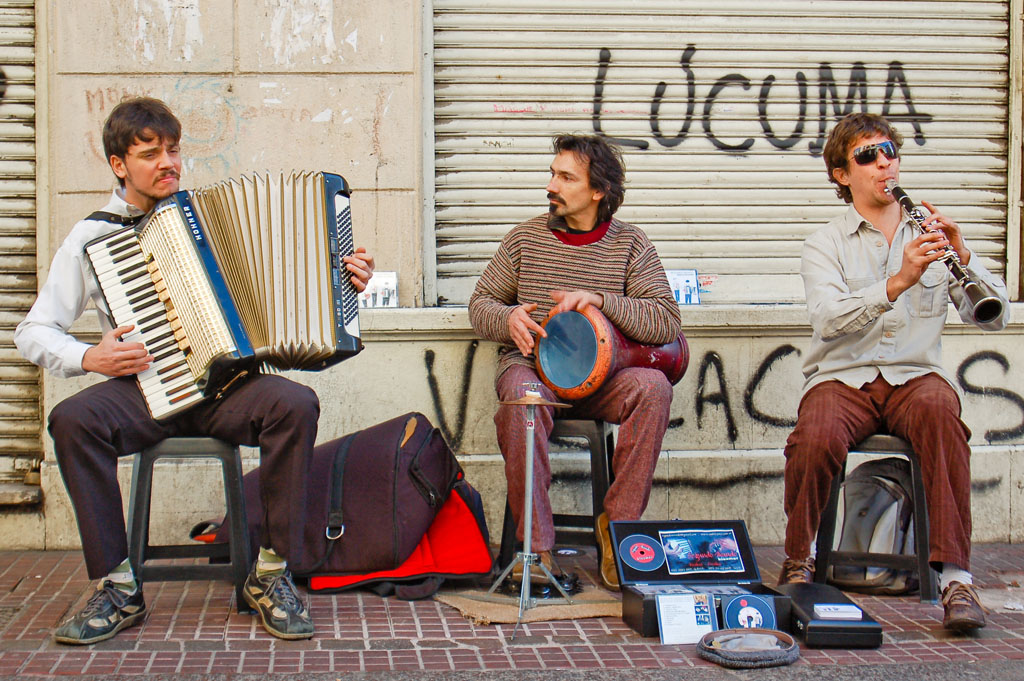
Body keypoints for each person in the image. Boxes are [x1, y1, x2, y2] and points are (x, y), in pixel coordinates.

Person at [15, 97, 375, 644]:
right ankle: (118, 587)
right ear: (119, 164)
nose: (168, 162)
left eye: (173, 149)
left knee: (295, 403)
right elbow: (33, 331)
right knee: (71, 419)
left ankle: (270, 574)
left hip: (226, 390)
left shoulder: (210, 218)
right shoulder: (93, 236)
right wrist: (89, 356)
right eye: (150, 153)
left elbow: (291, 289)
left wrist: (340, 282)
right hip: (144, 389)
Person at [778, 112, 1009, 631]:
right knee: (814, 437)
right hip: (844, 374)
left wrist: (964, 255)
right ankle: (801, 560)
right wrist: (897, 282)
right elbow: (827, 319)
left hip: (914, 374)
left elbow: (992, 318)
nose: (884, 163)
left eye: (889, 152)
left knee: (943, 418)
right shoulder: (826, 243)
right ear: (842, 173)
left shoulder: (928, 234)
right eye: (868, 156)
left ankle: (956, 580)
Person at [468, 133, 681, 591]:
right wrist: (508, 318)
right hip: (534, 370)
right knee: (523, 401)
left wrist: (602, 302)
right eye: (552, 173)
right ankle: (537, 551)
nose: (552, 184)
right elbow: (480, 302)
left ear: (598, 190)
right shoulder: (525, 238)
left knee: (654, 388)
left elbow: (665, 321)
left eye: (565, 177)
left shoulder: (631, 244)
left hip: (603, 379)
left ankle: (619, 530)